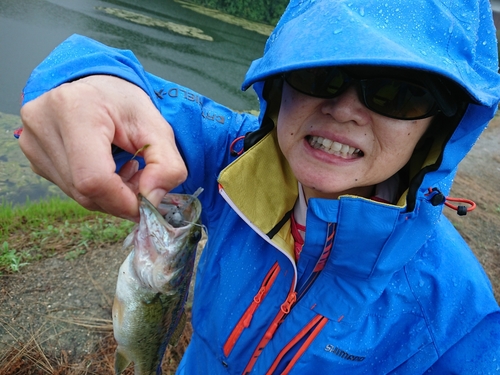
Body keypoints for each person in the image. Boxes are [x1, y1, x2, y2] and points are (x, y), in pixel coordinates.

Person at [18, 0, 500, 373]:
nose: (345, 109)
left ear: (439, 127)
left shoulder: (457, 319)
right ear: (279, 85)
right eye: (321, 73)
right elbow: (129, 99)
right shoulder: (232, 158)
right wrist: (83, 83)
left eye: (400, 91)